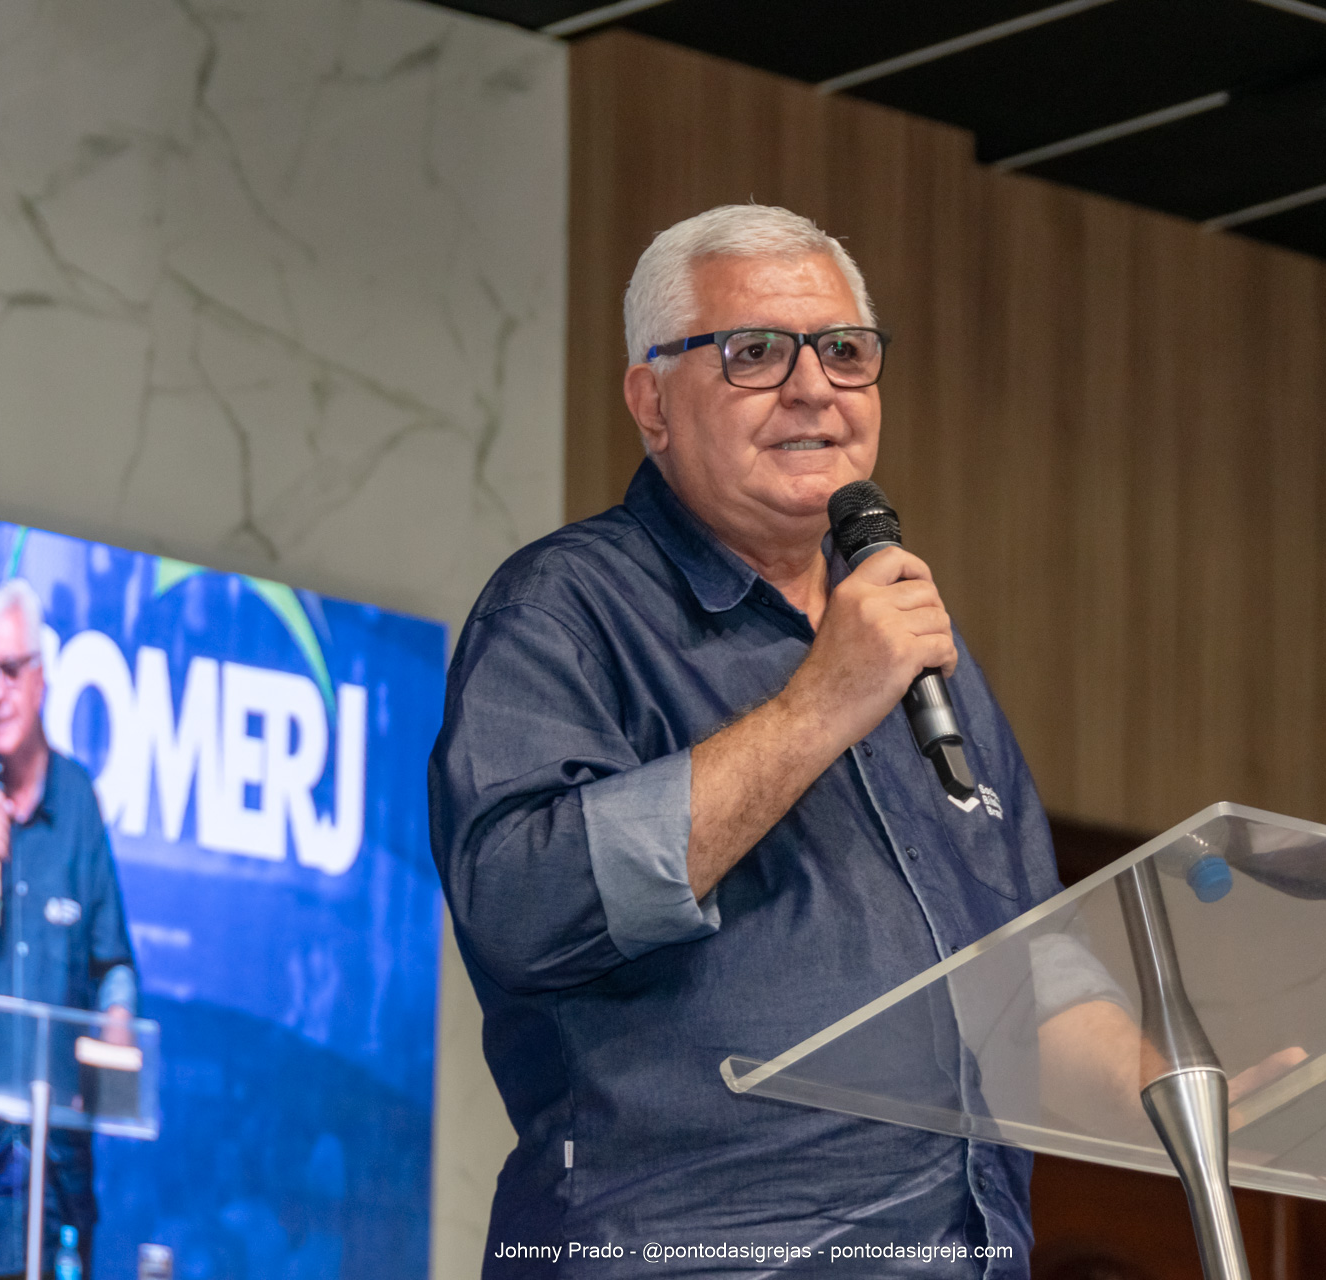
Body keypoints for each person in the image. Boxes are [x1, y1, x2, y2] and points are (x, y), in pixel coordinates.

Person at [429, 204, 1129, 1277]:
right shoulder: (565, 607)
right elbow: (526, 907)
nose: (814, 387)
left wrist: (1184, 1098)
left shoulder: (911, 642)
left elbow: (1024, 963)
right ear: (651, 402)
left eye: (845, 351)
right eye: (755, 352)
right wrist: (819, 706)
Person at [0, 578, 138, 1280]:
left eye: (10, 671)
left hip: (61, 1181)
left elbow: (113, 966)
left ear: (42, 678)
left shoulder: (79, 803)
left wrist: (119, 1025)